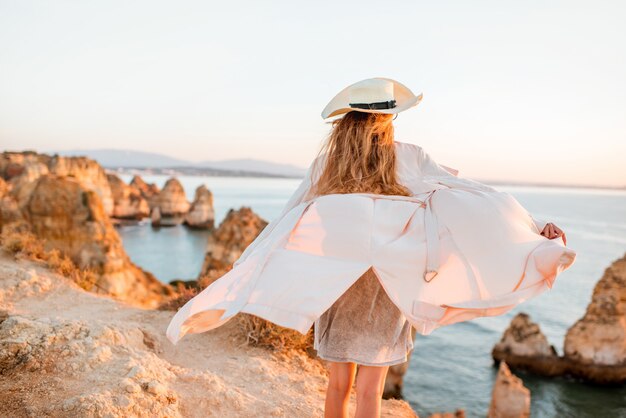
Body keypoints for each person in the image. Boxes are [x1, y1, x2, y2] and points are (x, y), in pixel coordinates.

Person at [165, 77, 575, 418]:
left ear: (349, 120)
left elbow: (291, 216)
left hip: (338, 281)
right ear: (386, 119)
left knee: (338, 383)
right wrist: (535, 227)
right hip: (389, 283)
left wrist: (247, 265)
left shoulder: (328, 165)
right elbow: (473, 194)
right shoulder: (410, 156)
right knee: (370, 389)